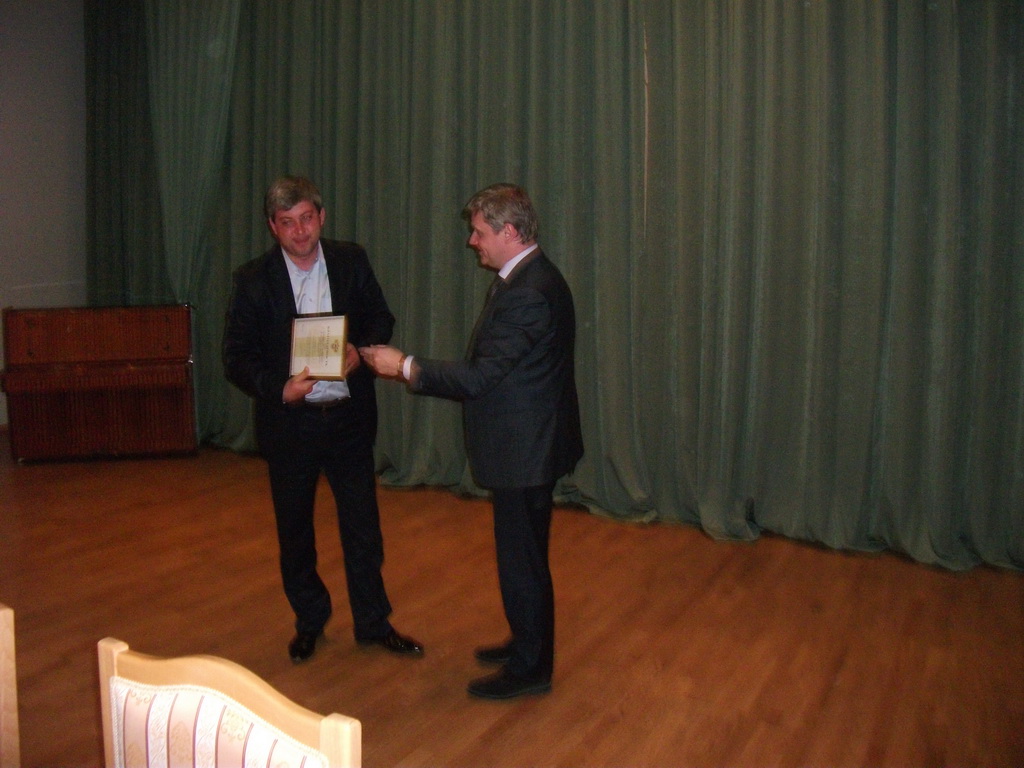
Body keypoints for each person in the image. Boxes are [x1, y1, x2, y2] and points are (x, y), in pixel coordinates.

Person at [360, 183, 583, 699]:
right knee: (526, 559)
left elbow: (480, 378)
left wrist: (404, 365)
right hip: (530, 443)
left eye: (479, 232)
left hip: (525, 451)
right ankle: (527, 642)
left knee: (522, 563)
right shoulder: (529, 276)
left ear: (510, 232)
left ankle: (530, 669)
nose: (472, 241)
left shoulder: (528, 291)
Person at [223, 175, 423, 663]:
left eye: (307, 218)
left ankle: (373, 623)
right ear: (273, 227)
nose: (300, 231)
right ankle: (310, 621)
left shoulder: (351, 261)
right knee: (295, 531)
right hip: (290, 422)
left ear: (322, 217)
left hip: (349, 417)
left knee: (363, 527)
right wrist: (279, 388)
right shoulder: (252, 279)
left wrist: (359, 349)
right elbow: (237, 357)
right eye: (287, 222)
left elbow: (381, 318)